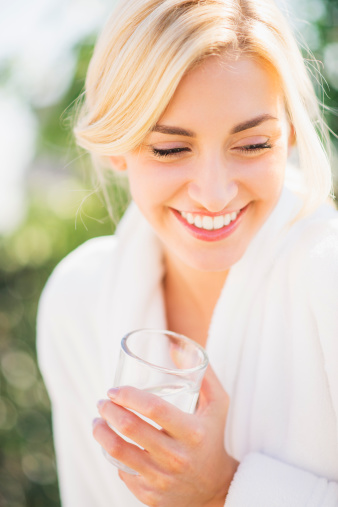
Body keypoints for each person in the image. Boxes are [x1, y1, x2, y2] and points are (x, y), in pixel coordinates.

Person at [36, 0, 338, 505]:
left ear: (287, 136)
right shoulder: (78, 300)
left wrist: (225, 490)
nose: (215, 194)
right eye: (170, 149)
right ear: (116, 146)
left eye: (253, 144)